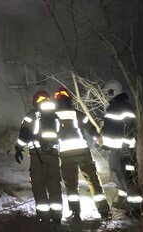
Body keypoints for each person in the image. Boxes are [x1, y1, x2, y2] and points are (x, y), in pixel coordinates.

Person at [53, 86, 111, 221]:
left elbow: (51, 135)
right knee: (93, 181)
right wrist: (99, 140)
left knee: (71, 185)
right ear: (69, 99)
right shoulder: (78, 113)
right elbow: (91, 129)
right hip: (83, 152)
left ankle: (75, 214)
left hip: (66, 154)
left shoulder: (53, 116)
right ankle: (104, 211)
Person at [15, 91, 63, 223]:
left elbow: (24, 134)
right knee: (54, 184)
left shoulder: (31, 116)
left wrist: (18, 149)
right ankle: (57, 215)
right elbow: (61, 134)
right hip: (53, 154)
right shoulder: (56, 116)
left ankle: (44, 215)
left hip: (37, 155)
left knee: (38, 184)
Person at [100, 80, 143, 215]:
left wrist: (126, 145)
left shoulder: (125, 107)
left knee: (128, 177)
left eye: (108, 93)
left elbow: (130, 128)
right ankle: (123, 200)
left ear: (113, 92)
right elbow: (112, 127)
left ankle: (136, 208)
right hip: (114, 149)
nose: (106, 95)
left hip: (124, 150)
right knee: (118, 175)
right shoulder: (114, 107)